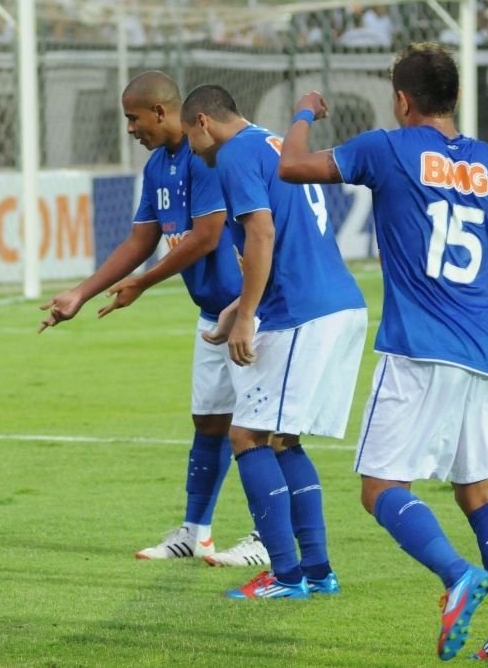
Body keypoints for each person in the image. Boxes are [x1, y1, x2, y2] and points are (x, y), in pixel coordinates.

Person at [278, 42, 488, 661]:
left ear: (401, 99)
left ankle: (456, 574)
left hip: (418, 348)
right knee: (479, 491)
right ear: (456, 99)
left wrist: (305, 113)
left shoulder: (387, 148)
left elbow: (290, 167)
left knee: (379, 486)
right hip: (485, 353)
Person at [38, 71, 268, 568]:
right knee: (208, 422)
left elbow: (207, 236)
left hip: (251, 312)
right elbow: (140, 240)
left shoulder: (206, 155)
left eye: (132, 118)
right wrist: (81, 292)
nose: (129, 129)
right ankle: (195, 532)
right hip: (211, 313)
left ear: (160, 112)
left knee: (256, 428)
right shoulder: (157, 167)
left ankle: (265, 535)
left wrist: (143, 283)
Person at [179, 85, 368, 599]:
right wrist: (234, 311)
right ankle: (318, 570)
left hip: (301, 313)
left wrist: (246, 322)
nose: (189, 148)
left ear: (202, 122)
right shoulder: (272, 142)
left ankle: (286, 575)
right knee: (284, 439)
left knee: (246, 436)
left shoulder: (234, 154)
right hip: (338, 304)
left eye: (188, 136)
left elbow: (262, 236)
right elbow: (290, 237)